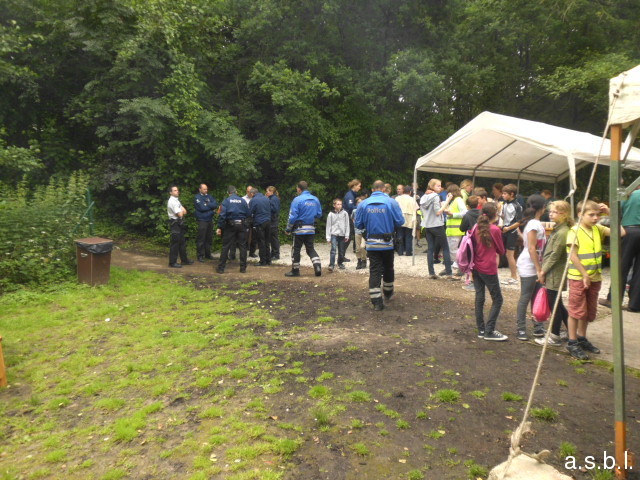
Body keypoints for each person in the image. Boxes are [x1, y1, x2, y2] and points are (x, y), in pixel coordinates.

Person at [565, 200, 621, 360]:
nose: (595, 218)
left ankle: (582, 338)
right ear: (580, 214)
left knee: (588, 310)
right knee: (576, 310)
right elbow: (572, 255)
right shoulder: (574, 231)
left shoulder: (598, 228)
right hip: (579, 277)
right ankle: (572, 342)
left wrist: (610, 213)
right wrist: (584, 274)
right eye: (591, 215)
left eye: (598, 215)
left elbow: (621, 232)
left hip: (595, 277)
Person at [355, 180, 405, 311]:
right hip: (387, 243)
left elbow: (358, 224)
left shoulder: (363, 204)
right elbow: (400, 221)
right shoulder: (391, 202)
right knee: (388, 267)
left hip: (371, 243)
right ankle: (388, 292)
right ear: (384, 189)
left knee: (374, 270)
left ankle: (376, 301)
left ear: (372, 190)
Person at [535, 200, 573, 347]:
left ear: (564, 214)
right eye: (550, 211)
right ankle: (571, 331)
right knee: (559, 304)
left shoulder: (563, 232)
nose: (551, 214)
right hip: (552, 272)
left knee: (555, 306)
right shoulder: (558, 229)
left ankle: (554, 336)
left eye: (555, 212)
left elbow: (555, 255)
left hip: (555, 274)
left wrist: (542, 271)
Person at [472, 203, 507, 340]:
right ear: (495, 215)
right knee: (498, 299)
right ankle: (489, 330)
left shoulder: (476, 227)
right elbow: (501, 250)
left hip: (476, 266)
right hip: (488, 268)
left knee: (479, 297)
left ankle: (481, 330)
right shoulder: (495, 230)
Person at [514, 194, 547, 341]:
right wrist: (539, 269)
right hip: (529, 265)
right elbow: (532, 248)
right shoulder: (533, 224)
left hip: (536, 264)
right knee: (526, 296)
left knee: (537, 296)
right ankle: (521, 328)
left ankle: (538, 326)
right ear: (543, 208)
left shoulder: (535, 223)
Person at [285, 181, 323, 277]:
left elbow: (292, 216)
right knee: (310, 248)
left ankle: (295, 270)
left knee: (296, 249)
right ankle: (317, 266)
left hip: (299, 229)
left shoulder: (297, 200)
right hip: (311, 228)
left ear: (299, 189)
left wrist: (288, 229)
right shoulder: (315, 199)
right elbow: (319, 214)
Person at [420, 179, 454, 279]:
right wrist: (448, 200)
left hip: (427, 225)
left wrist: (443, 202)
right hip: (437, 225)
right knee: (445, 248)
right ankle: (449, 273)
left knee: (430, 249)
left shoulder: (424, 196)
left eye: (440, 185)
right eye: (438, 186)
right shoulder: (435, 196)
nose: (440, 187)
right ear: (432, 186)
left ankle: (431, 273)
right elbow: (438, 212)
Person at [216, 186, 250, 274]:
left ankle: (221, 268)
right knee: (243, 246)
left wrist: (220, 227)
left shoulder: (226, 201)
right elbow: (248, 213)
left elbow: (222, 215)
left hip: (230, 225)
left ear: (228, 193)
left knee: (226, 246)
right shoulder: (243, 201)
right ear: (236, 192)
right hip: (242, 224)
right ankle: (243, 268)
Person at [500, 183, 523, 285]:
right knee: (501, 253)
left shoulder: (517, 206)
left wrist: (508, 228)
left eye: (505, 194)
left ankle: (514, 277)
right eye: (503, 193)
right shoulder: (504, 204)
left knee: (510, 255)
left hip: (511, 232)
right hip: (504, 230)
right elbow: (504, 217)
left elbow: (519, 222)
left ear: (512, 194)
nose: (503, 195)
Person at [167, 186, 194, 268]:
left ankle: (184, 260)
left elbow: (185, 211)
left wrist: (181, 211)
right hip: (175, 223)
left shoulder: (176, 200)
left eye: (177, 190)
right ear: (170, 192)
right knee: (175, 243)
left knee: (182, 242)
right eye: (175, 190)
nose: (177, 191)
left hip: (179, 223)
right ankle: (172, 262)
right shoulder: (172, 201)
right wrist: (181, 211)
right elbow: (180, 214)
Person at [444, 184, 467, 273]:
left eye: (448, 192)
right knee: (452, 249)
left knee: (454, 250)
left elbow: (464, 213)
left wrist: (452, 214)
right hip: (451, 230)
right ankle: (457, 264)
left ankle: (459, 265)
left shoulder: (458, 200)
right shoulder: (453, 201)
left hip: (456, 230)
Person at [194, 183, 218, 262]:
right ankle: (200, 255)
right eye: (204, 189)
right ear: (200, 189)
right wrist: (211, 210)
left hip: (209, 220)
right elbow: (202, 208)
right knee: (201, 238)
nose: (206, 190)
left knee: (209, 238)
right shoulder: (197, 197)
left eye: (206, 189)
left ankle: (208, 254)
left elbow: (215, 205)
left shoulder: (209, 196)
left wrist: (207, 204)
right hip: (202, 220)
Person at [249, 187, 272, 266]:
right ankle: (268, 260)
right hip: (268, 221)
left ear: (252, 193)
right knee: (267, 241)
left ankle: (262, 261)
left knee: (261, 241)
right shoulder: (266, 198)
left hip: (259, 222)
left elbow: (250, 212)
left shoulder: (253, 200)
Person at [326, 198, 349, 271]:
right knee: (333, 249)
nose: (339, 206)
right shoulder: (330, 214)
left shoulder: (345, 213)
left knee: (341, 250)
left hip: (342, 234)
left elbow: (347, 224)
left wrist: (347, 235)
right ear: (334, 205)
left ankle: (340, 263)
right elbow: (328, 226)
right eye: (338, 204)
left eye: (340, 204)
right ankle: (331, 265)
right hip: (334, 234)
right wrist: (328, 237)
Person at [395, 185, 416, 256]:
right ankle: (408, 252)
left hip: (400, 217)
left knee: (399, 234)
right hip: (409, 218)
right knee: (409, 235)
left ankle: (400, 251)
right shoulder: (412, 199)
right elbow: (416, 208)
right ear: (410, 192)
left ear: (403, 191)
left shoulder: (397, 198)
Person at [343, 179, 362, 257]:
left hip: (348, 216)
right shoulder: (350, 195)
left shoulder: (352, 194)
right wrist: (360, 206)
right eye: (359, 186)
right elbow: (350, 207)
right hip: (347, 216)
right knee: (349, 235)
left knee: (349, 235)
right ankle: (341, 254)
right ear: (354, 186)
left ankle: (342, 254)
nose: (360, 188)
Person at [266, 186, 281, 260]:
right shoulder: (272, 198)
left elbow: (275, 209)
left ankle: (276, 254)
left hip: (273, 221)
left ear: (271, 192)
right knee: (272, 238)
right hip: (272, 220)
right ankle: (273, 254)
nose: (266, 192)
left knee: (274, 238)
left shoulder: (273, 199)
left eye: (267, 191)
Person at [353, 196, 368, 270]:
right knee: (357, 248)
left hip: (364, 232)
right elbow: (353, 219)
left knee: (362, 247)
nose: (360, 204)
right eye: (358, 202)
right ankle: (359, 261)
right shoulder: (354, 211)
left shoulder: (366, 211)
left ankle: (364, 260)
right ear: (356, 204)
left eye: (361, 202)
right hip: (357, 231)